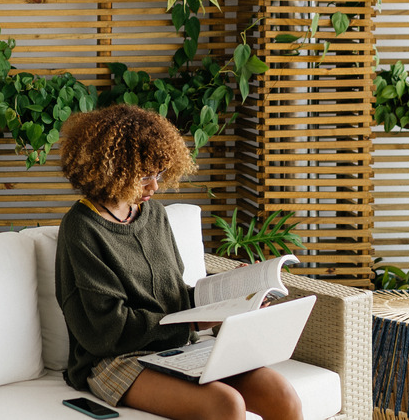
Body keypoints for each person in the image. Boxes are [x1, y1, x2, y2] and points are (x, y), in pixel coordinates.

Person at [55, 104, 303, 420]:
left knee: (283, 396)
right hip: (115, 358)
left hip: (176, 347)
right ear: (111, 169)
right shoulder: (81, 227)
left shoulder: (154, 215)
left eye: (158, 174)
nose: (155, 186)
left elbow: (173, 294)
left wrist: (234, 298)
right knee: (225, 405)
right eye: (144, 176)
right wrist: (193, 322)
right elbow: (106, 329)